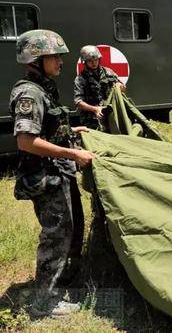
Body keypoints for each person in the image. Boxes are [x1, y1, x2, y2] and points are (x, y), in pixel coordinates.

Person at [9, 30, 95, 317]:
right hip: (45, 177)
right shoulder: (29, 93)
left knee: (70, 228)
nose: (60, 61)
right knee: (56, 235)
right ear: (37, 59)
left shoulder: (45, 88)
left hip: (59, 172)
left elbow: (48, 129)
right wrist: (74, 153)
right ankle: (44, 301)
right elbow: (26, 141)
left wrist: (72, 131)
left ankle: (63, 281)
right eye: (55, 56)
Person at [74, 45, 125, 129]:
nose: (94, 63)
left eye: (96, 59)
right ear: (85, 62)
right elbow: (78, 103)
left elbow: (122, 88)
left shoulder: (108, 72)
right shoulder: (80, 79)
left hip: (110, 116)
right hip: (91, 120)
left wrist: (120, 86)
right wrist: (95, 109)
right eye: (90, 60)